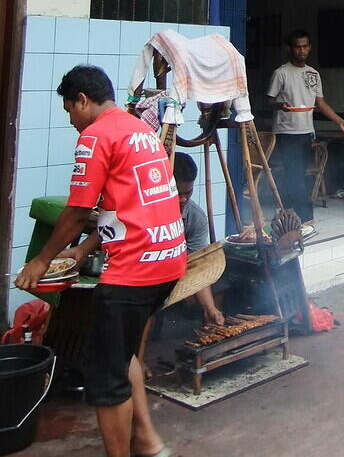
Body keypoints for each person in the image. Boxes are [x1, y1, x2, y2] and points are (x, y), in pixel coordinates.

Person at [16, 65, 186, 457]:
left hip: (134, 271)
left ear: (83, 100)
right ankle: (147, 442)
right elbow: (128, 206)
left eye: (70, 111)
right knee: (120, 352)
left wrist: (40, 262)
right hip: (168, 260)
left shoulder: (95, 136)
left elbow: (77, 211)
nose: (72, 122)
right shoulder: (139, 130)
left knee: (105, 380)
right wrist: (83, 249)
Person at [266, 29, 344, 232]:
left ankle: (290, 214)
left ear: (310, 48)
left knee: (302, 173)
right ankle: (303, 217)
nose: (302, 51)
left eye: (305, 46)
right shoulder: (281, 73)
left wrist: (340, 122)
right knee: (293, 174)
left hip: (306, 131)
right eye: (298, 47)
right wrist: (281, 106)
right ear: (290, 48)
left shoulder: (313, 74)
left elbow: (320, 103)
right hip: (286, 132)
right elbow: (269, 101)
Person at [173, 151, 225, 326]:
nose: (183, 199)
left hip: (180, 273)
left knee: (221, 283)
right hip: (147, 276)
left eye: (188, 193)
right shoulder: (147, 211)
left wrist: (210, 309)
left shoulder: (195, 218)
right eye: (177, 193)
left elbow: (196, 266)